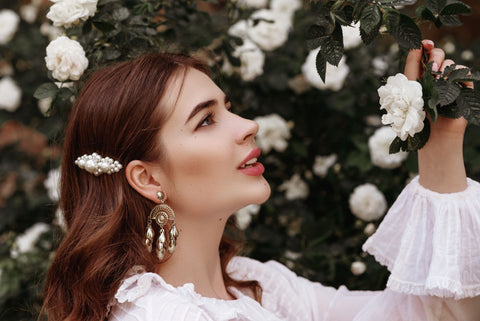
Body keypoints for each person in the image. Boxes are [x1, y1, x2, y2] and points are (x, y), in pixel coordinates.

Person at [41, 40, 480, 321]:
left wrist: (439, 152)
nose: (247, 124)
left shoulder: (259, 286)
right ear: (147, 177)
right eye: (206, 121)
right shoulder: (154, 314)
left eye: (228, 107)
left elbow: (420, 312)